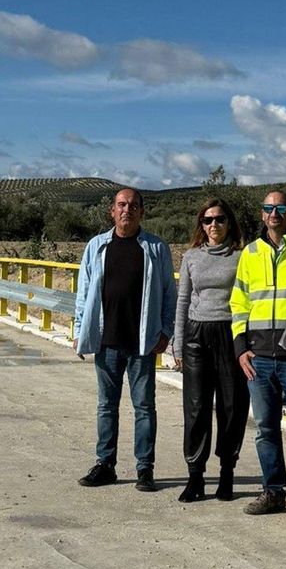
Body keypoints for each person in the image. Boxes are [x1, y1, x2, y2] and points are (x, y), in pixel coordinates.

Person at [74, 188, 176, 492]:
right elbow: (83, 292)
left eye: (133, 206)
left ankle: (145, 469)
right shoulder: (96, 247)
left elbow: (170, 294)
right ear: (112, 211)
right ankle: (105, 465)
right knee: (106, 406)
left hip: (143, 341)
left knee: (144, 406)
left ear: (142, 212)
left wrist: (166, 332)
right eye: (121, 205)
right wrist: (80, 329)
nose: (126, 210)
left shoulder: (156, 248)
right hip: (106, 340)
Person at [230, 190, 286, 518]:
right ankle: (273, 491)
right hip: (258, 357)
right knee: (266, 429)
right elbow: (238, 303)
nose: (274, 213)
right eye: (268, 207)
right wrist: (241, 348)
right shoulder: (250, 253)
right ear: (261, 213)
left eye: (280, 207)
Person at [173, 198, 249, 503]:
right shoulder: (191, 257)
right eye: (207, 220)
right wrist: (178, 344)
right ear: (200, 225)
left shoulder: (243, 257)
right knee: (196, 407)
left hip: (230, 333)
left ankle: (227, 474)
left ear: (229, 223)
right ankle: (195, 476)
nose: (213, 225)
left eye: (219, 219)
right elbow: (182, 300)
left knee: (232, 405)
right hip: (196, 334)